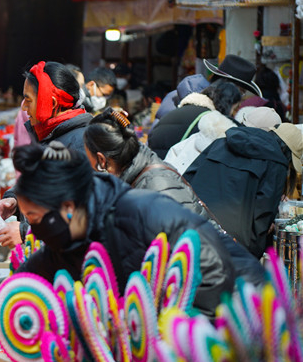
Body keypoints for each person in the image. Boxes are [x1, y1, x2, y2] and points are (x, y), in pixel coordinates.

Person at [0, 142, 262, 362]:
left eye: (32, 217)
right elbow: (7, 298)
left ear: (65, 207)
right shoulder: (69, 240)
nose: (30, 228)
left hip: (240, 342)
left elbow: (214, 285)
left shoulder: (141, 214)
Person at [0, 61, 91, 248]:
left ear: (51, 103)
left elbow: (81, 216)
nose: (23, 107)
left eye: (28, 100)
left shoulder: (80, 145)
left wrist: (25, 232)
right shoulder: (49, 135)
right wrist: (15, 199)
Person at [184, 123, 302, 259]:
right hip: (229, 242)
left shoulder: (221, 143)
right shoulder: (277, 164)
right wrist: (253, 256)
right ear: (288, 153)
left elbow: (187, 178)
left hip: (192, 222)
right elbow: (262, 216)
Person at [83, 108, 208, 219]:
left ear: (102, 160)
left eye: (87, 156)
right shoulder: (134, 173)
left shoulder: (158, 185)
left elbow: (187, 235)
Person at [148, 81, 241, 159]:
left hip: (157, 160)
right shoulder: (209, 120)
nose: (232, 113)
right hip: (172, 166)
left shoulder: (182, 109)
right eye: (234, 108)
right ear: (228, 104)